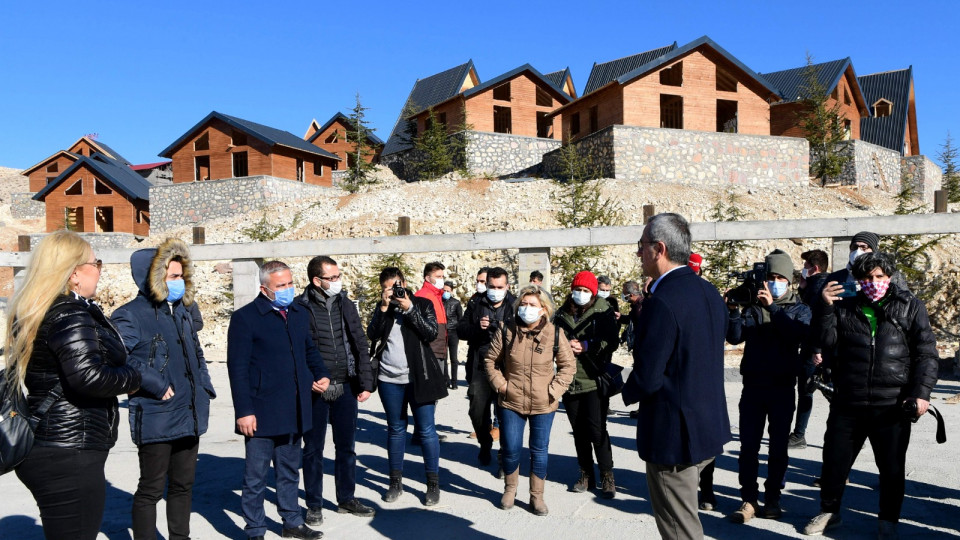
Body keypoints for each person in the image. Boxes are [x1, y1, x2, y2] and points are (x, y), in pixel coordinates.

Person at [6, 230, 142, 540]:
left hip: (51, 444)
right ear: (74, 274)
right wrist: (135, 377)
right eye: (96, 262)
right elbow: (88, 377)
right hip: (69, 451)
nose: (99, 269)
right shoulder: (70, 314)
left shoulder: (41, 309)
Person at [803, 252, 938, 538]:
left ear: (889, 278)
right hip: (848, 401)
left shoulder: (910, 306)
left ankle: (888, 521)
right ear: (858, 280)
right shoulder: (844, 306)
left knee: (891, 468)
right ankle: (829, 512)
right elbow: (822, 342)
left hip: (892, 405)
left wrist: (921, 393)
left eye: (879, 277)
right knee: (834, 463)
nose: (873, 282)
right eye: (867, 278)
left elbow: (926, 353)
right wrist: (824, 307)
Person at [622, 213, 731, 540]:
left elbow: (650, 375)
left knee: (680, 531)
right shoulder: (708, 291)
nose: (639, 253)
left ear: (659, 248)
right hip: (706, 427)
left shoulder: (663, 301)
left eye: (641, 246)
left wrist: (614, 383)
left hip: (674, 439)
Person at [112, 238, 217, 540]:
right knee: (151, 488)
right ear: (153, 277)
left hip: (189, 409)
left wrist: (205, 387)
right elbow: (121, 357)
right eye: (172, 276)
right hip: (156, 412)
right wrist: (156, 384)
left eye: (181, 276)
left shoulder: (181, 311)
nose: (179, 282)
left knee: (183, 485)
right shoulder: (129, 314)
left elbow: (196, 353)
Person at [227, 260, 331, 540]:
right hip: (260, 410)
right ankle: (256, 529)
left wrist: (321, 373)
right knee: (255, 477)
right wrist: (244, 411)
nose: (287, 289)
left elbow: (309, 349)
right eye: (281, 285)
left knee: (288, 471)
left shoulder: (298, 312)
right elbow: (237, 368)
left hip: (294, 407)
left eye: (290, 283)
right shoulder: (246, 318)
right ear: (265, 289)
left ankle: (292, 522)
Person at [725, 249, 811, 523]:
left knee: (777, 448)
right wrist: (734, 312)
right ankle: (748, 499)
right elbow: (736, 338)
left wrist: (772, 307)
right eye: (770, 277)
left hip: (783, 387)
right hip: (753, 386)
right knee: (748, 447)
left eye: (779, 277)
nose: (774, 281)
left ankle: (773, 498)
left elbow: (796, 335)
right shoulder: (754, 305)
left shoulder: (800, 308)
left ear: (788, 280)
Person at [297, 256, 376, 526]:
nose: (337, 282)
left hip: (345, 386)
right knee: (313, 450)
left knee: (346, 448)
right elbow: (296, 351)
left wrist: (365, 382)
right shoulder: (300, 307)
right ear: (316, 281)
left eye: (338, 276)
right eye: (331, 278)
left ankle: (346, 499)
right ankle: (314, 505)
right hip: (316, 391)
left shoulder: (345, 303)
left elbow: (359, 342)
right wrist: (309, 379)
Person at [484, 285, 576, 515]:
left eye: (532, 305)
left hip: (543, 404)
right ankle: (510, 489)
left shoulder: (555, 333)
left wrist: (553, 391)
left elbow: (568, 366)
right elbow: (490, 362)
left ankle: (537, 496)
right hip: (511, 401)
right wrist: (502, 386)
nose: (526, 309)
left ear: (543, 309)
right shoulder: (507, 330)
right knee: (511, 448)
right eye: (523, 305)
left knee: (539, 450)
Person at [367, 267, 448, 506]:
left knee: (426, 431)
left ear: (403, 282)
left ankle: (433, 484)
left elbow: (431, 333)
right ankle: (395, 483)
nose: (392, 292)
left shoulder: (422, 304)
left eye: (395, 286)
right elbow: (373, 334)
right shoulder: (384, 307)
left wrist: (409, 308)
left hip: (419, 378)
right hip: (389, 379)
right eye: (387, 289)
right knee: (395, 429)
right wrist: (383, 308)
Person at [554, 270, 619, 498]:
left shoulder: (602, 312)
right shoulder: (561, 315)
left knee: (597, 430)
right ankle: (586, 473)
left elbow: (613, 342)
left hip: (593, 379)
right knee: (579, 431)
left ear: (592, 293)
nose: (580, 294)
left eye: (585, 291)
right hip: (569, 381)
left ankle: (607, 474)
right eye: (577, 290)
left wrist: (588, 346)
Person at [458, 266, 515, 473]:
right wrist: (477, 327)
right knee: (477, 411)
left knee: (507, 414)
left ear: (507, 286)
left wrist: (506, 327)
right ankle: (485, 443)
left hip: (506, 368)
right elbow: (461, 330)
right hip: (480, 366)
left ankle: (503, 456)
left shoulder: (515, 305)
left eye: (500, 287)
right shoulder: (476, 303)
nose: (495, 290)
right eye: (491, 286)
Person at [790, 248, 830, 450]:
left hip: (814, 349)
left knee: (807, 390)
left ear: (814, 268)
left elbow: (815, 320)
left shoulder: (818, 287)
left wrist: (817, 349)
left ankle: (799, 435)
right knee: (829, 390)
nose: (802, 269)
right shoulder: (822, 284)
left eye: (805, 266)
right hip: (822, 348)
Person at [826, 231, 909, 292]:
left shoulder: (891, 276)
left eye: (864, 247)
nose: (858, 252)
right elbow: (818, 305)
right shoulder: (836, 277)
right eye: (854, 247)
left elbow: (907, 301)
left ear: (873, 251)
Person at [415, 262, 449, 385]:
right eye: (438, 277)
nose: (442, 279)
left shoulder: (437, 296)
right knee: (431, 389)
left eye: (442, 277)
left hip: (439, 349)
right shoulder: (422, 296)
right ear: (428, 278)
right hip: (429, 350)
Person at [442, 281, 464, 389]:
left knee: (454, 359)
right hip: (442, 332)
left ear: (451, 291)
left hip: (453, 333)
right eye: (444, 290)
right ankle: (446, 380)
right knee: (444, 357)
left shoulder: (456, 303)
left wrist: (459, 331)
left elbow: (461, 319)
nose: (445, 292)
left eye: (447, 291)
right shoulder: (440, 301)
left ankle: (454, 382)